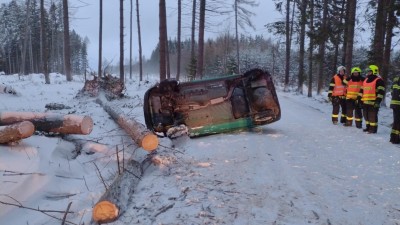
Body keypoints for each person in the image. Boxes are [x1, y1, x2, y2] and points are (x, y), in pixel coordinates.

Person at [357, 65, 385, 133]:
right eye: (368, 71)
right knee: (366, 115)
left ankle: (373, 129)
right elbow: (361, 90)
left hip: (373, 102)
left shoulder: (379, 80)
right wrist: (359, 99)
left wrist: (378, 101)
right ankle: (368, 127)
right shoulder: (366, 80)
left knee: (372, 116)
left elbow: (381, 92)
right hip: (365, 102)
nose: (368, 73)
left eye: (370, 71)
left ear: (374, 71)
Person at [390, 75, 400, 144]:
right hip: (398, 104)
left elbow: (391, 91)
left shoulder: (396, 79)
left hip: (394, 103)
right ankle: (396, 139)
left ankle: (393, 138)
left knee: (396, 121)